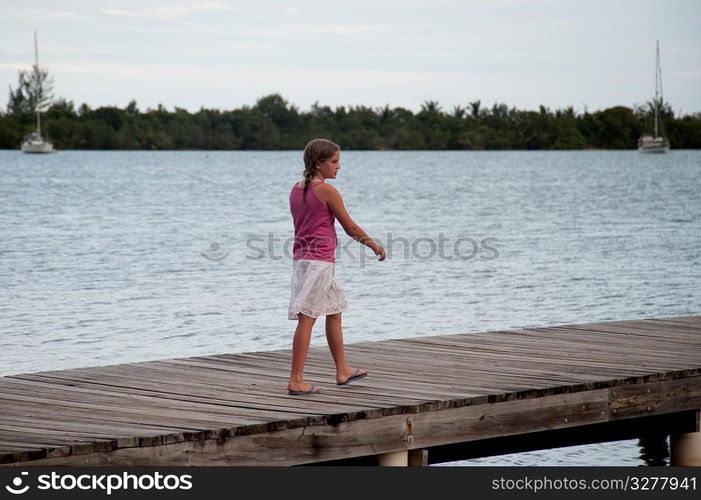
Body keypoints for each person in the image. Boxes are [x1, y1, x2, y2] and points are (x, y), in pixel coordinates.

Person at [287, 138, 386, 395]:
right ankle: (296, 379)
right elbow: (350, 227)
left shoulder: (296, 189)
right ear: (319, 163)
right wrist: (373, 245)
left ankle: (342, 370)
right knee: (307, 319)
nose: (338, 166)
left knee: (335, 309)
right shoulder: (327, 191)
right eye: (334, 161)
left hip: (304, 262)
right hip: (318, 263)